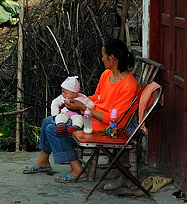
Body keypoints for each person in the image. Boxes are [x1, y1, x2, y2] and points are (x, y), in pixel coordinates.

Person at [23, 39, 139, 183]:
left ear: (112, 58)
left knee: (53, 129)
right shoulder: (107, 75)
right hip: (90, 116)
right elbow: (96, 98)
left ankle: (78, 169)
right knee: (48, 121)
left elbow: (114, 120)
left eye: (103, 55)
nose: (101, 58)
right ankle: (43, 161)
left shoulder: (128, 85)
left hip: (107, 128)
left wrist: (83, 108)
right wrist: (76, 101)